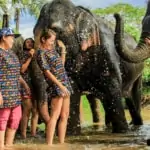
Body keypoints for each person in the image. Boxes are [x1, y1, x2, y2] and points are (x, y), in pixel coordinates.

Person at [36, 29, 73, 145]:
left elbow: (60, 65)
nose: (53, 42)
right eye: (51, 40)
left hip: (64, 82)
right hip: (56, 85)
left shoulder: (53, 51)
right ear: (43, 39)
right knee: (55, 115)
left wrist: (63, 50)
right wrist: (60, 86)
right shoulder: (40, 53)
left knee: (65, 115)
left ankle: (61, 143)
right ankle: (49, 145)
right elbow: (47, 72)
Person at [0, 27, 30, 149]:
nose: (13, 40)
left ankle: (9, 145)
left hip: (15, 92)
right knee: (3, 120)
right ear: (3, 37)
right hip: (4, 93)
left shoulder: (11, 53)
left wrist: (24, 84)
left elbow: (16, 73)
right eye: (11, 37)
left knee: (16, 119)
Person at [19, 38, 39, 139]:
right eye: (27, 42)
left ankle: (33, 134)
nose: (30, 43)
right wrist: (30, 57)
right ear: (24, 44)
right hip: (25, 85)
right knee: (27, 109)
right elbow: (22, 70)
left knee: (36, 110)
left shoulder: (37, 54)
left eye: (32, 42)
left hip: (35, 85)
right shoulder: (23, 54)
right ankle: (23, 135)